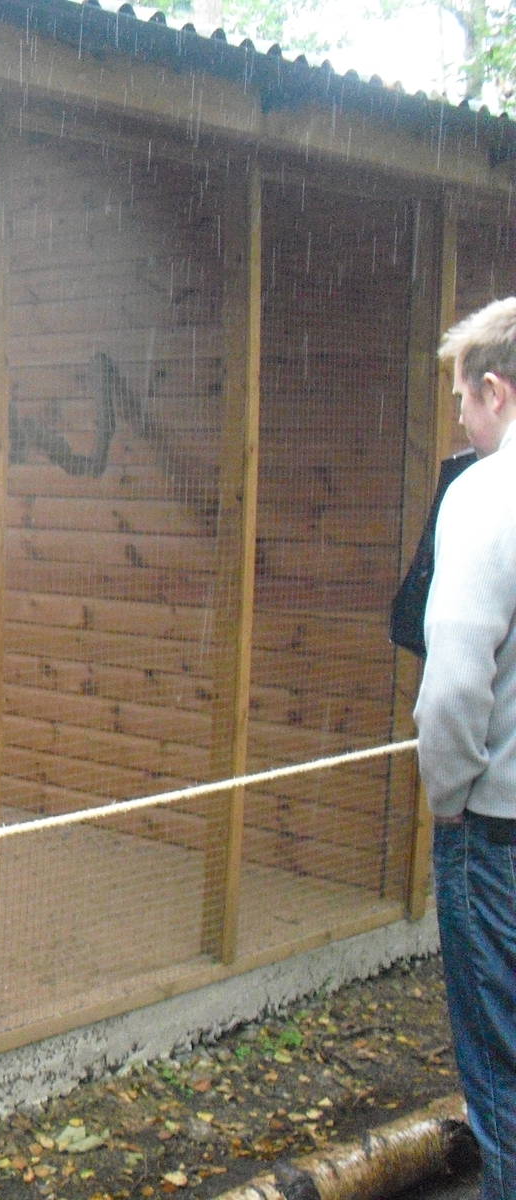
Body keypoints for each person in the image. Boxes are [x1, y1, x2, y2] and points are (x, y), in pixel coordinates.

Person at [414, 295, 516, 1200]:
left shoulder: (486, 494)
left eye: (461, 397)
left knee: (503, 1075)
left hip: (499, 834)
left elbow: (452, 682)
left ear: (497, 389)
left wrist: (448, 797)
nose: (459, 417)